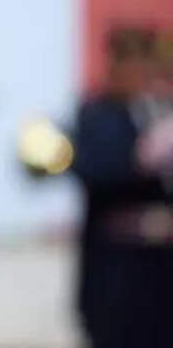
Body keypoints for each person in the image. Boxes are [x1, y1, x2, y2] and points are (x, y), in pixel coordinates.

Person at [71, 25, 173, 348]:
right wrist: (139, 157)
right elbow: (92, 171)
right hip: (117, 270)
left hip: (162, 270)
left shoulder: (158, 111)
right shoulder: (97, 115)